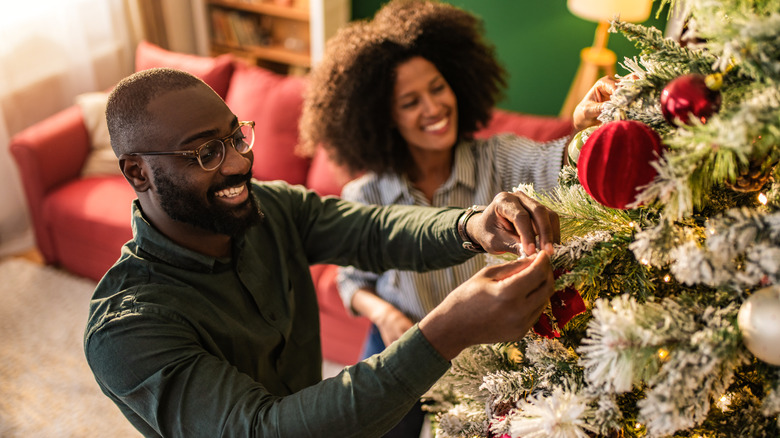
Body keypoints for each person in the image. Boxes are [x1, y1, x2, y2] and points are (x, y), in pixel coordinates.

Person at [83, 66, 564, 438]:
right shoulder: (127, 330)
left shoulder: (268, 206)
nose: (239, 163)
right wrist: (445, 331)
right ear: (138, 173)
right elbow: (264, 429)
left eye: (235, 137)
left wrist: (471, 225)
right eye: (206, 153)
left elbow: (373, 230)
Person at [298, 2, 577, 434]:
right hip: (400, 339)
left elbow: (554, 161)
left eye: (438, 87)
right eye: (410, 102)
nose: (433, 108)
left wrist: (581, 133)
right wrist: (385, 316)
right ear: (383, 117)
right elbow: (350, 280)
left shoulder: (498, 158)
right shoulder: (365, 194)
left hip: (485, 349)